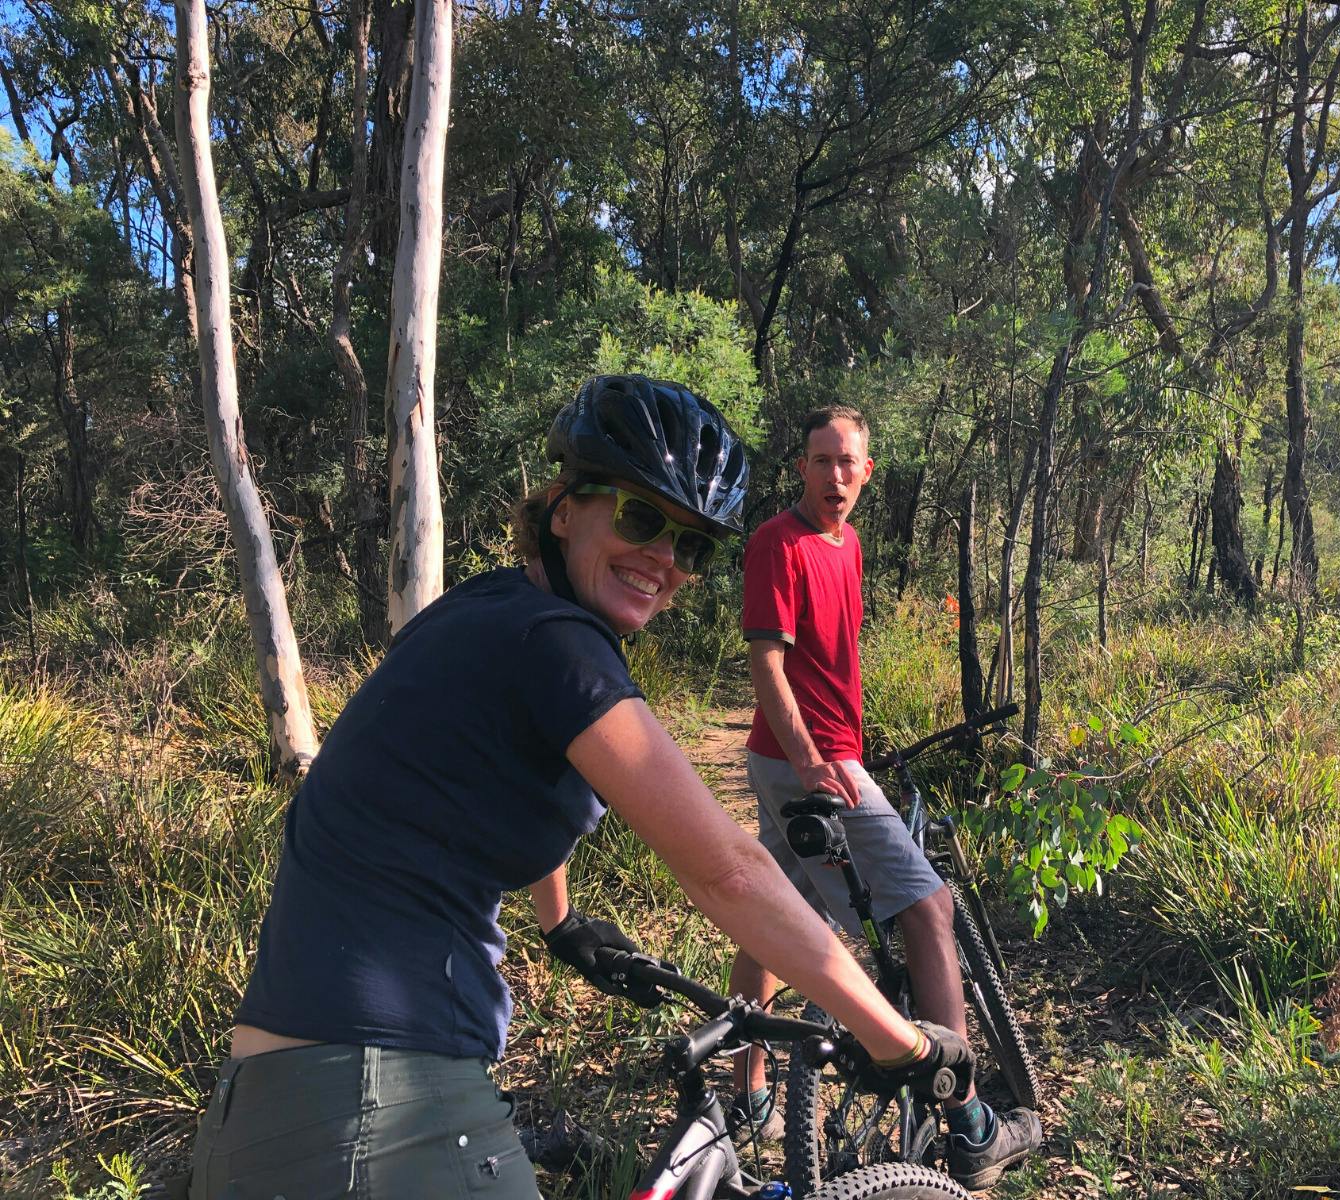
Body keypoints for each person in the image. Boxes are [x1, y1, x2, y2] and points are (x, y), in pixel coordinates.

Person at [183, 377, 972, 1199]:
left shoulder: (492, 608)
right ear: (563, 508)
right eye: (641, 519)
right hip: (377, 1100)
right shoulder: (559, 649)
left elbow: (500, 780)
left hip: (269, 1105)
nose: (664, 559)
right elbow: (729, 872)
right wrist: (900, 1040)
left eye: (691, 545)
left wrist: (560, 923)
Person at [727, 405, 1042, 1191]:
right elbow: (767, 664)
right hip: (806, 763)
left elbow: (831, 661)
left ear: (867, 472)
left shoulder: (850, 544)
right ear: (801, 467)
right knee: (929, 907)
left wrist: (847, 745)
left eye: (848, 462)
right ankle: (968, 1119)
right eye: (821, 460)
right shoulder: (779, 543)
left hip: (812, 758)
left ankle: (748, 1094)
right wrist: (813, 760)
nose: (835, 475)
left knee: (771, 914)